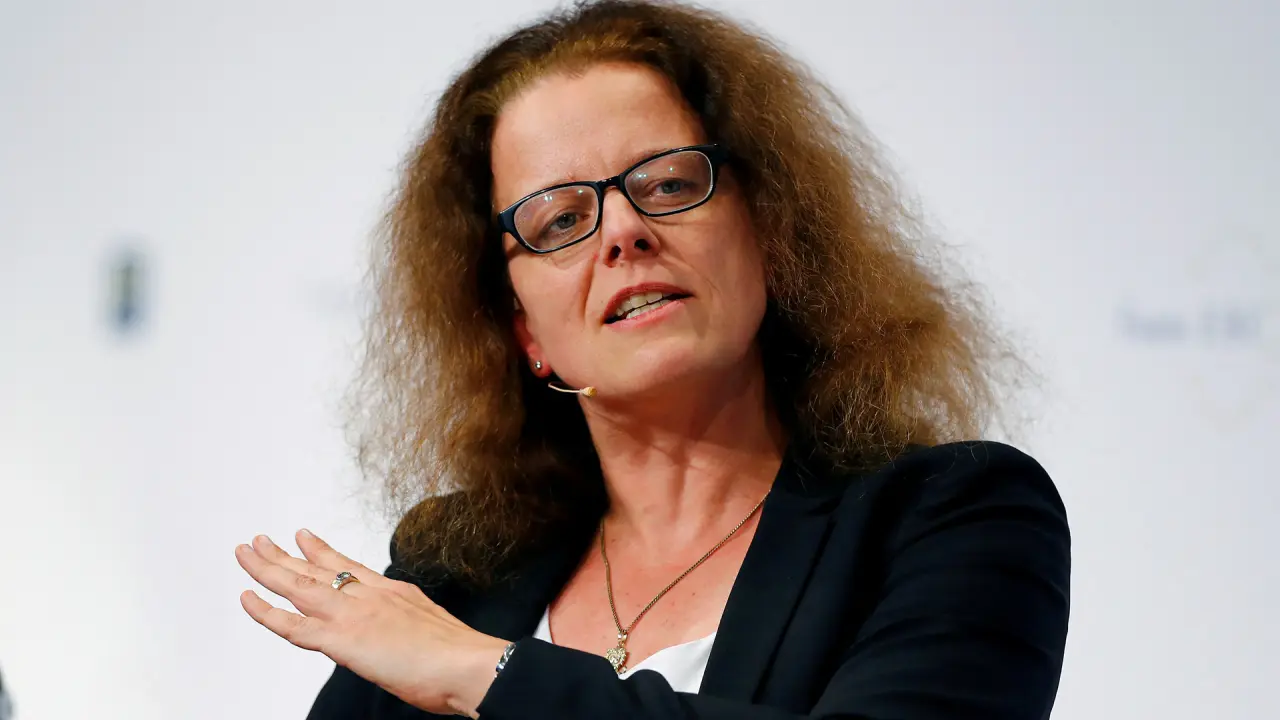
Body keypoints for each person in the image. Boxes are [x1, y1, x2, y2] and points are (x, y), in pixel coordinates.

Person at [233, 1, 1070, 718]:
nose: (624, 231)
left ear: (769, 233)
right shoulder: (455, 578)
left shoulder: (952, 516)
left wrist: (484, 674)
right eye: (560, 221)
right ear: (524, 331)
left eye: (668, 184)